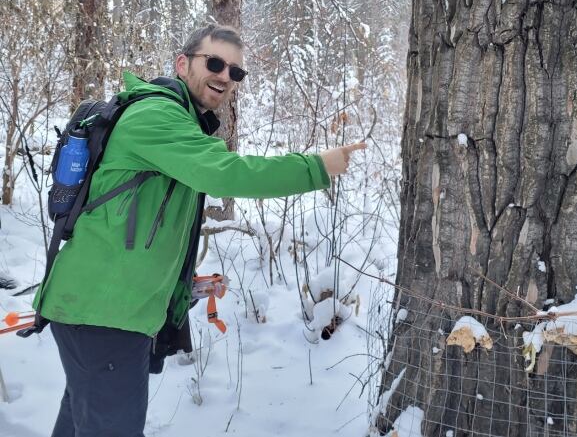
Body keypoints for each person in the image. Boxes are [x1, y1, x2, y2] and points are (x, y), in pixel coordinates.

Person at [34, 24, 366, 437]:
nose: (225, 76)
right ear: (182, 64)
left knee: (82, 423)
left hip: (102, 310)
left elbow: (142, 220)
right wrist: (317, 166)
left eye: (236, 72)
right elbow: (227, 173)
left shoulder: (179, 122)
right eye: (214, 63)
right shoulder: (157, 115)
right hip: (104, 316)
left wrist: (181, 281)